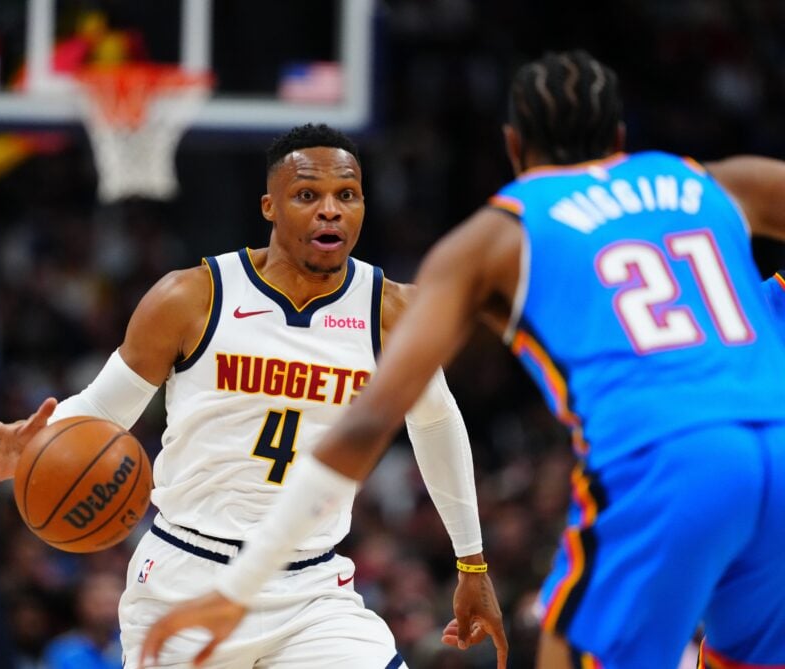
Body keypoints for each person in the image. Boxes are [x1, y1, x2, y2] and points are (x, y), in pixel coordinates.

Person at [140, 51, 785, 669]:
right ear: (619, 136)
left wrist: (238, 588)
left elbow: (366, 426)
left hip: (670, 460)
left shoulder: (496, 237)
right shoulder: (715, 181)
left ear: (513, 147)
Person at [0, 123, 507, 668]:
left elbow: (437, 425)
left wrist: (472, 562)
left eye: (347, 195)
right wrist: (42, 439)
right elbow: (106, 411)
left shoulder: (391, 312)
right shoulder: (190, 298)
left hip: (311, 588)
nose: (330, 210)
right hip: (185, 575)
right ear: (269, 206)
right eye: (307, 195)